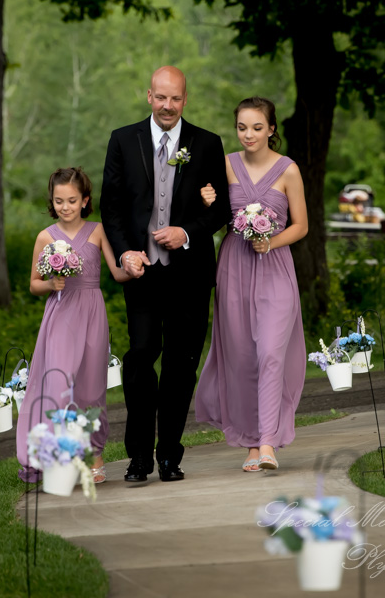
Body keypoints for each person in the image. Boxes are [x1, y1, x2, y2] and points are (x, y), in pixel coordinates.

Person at [100, 66, 230, 482]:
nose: (167, 106)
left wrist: (186, 232)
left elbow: (221, 209)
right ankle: (138, 456)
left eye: (175, 98)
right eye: (161, 97)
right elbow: (111, 207)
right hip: (143, 272)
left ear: (185, 100)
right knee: (140, 357)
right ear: (149, 96)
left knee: (180, 364)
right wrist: (124, 253)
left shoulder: (207, 143)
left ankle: (169, 455)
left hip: (189, 274)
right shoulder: (123, 140)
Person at [194, 96, 307, 472]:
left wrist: (270, 242)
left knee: (271, 352)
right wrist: (206, 201)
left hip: (275, 267)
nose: (249, 134)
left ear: (271, 129)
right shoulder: (225, 164)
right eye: (242, 127)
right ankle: (250, 442)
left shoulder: (289, 170)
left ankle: (269, 441)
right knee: (241, 357)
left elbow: (301, 226)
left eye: (257, 127)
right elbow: (211, 214)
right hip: (235, 267)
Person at [16, 167, 130, 485]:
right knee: (57, 386)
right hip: (61, 316)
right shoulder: (45, 237)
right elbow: (33, 284)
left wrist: (135, 266)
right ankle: (55, 458)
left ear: (85, 200)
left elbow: (117, 272)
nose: (65, 207)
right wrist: (50, 284)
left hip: (92, 313)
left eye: (71, 200)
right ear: (52, 202)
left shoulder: (98, 231)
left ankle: (94, 456)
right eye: (59, 201)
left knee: (91, 389)